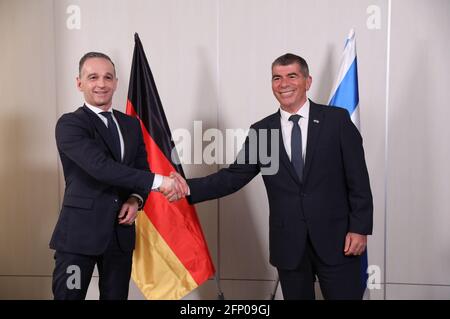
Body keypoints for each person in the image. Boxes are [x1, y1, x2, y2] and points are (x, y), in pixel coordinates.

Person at [169, 53, 373, 300]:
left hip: (340, 242)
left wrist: (359, 228)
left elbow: (358, 179)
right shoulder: (263, 131)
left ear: (308, 81)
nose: (283, 83)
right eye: (277, 78)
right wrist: (185, 188)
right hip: (290, 246)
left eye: (291, 76)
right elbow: (233, 177)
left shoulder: (336, 121)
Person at [49, 52, 180, 300]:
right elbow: (101, 167)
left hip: (120, 235)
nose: (101, 84)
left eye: (108, 77)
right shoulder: (70, 124)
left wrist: (136, 199)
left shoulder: (130, 125)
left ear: (116, 83)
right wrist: (161, 182)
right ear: (79, 83)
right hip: (79, 239)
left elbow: (140, 168)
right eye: (93, 77)